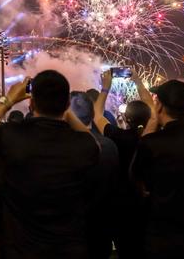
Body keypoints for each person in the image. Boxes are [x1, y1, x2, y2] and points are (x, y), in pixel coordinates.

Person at [0, 72, 99, 258]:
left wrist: (7, 101)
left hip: (22, 249)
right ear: (67, 104)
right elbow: (93, 142)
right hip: (70, 249)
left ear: (31, 104)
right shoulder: (81, 143)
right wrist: (65, 110)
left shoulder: (12, 136)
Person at [131, 79, 184, 259]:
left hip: (162, 241)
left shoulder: (152, 143)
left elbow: (136, 179)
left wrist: (152, 122)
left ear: (159, 106)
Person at [93, 71, 152, 259]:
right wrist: (138, 82)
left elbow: (96, 115)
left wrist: (105, 87)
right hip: (148, 205)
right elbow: (150, 105)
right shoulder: (151, 135)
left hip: (122, 207)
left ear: (126, 118)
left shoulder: (117, 136)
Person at [70, 91, 119, 259]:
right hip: (102, 228)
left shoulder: (61, 147)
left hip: (70, 232)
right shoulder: (110, 146)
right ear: (92, 114)